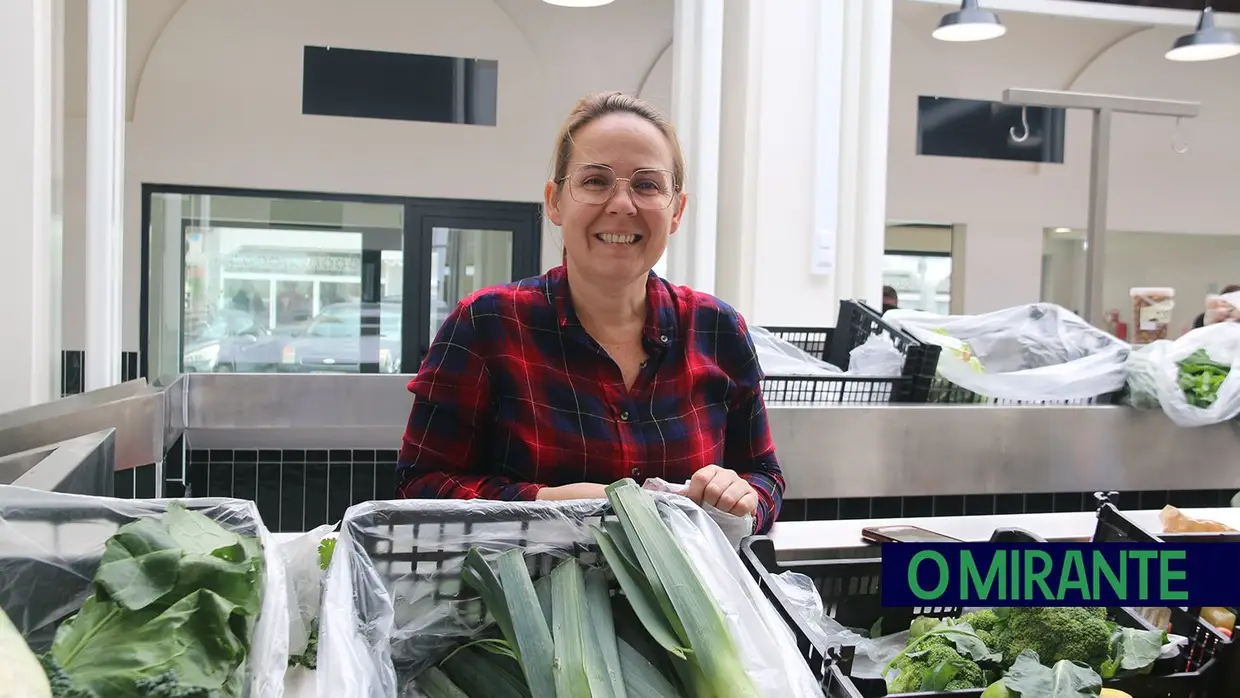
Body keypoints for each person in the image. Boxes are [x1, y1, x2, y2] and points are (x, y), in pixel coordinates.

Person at [395, 92, 785, 533]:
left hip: (687, 598)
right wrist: (549, 503)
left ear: (676, 211)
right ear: (555, 201)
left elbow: (765, 478)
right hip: (523, 595)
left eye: (647, 184)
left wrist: (740, 497)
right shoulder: (487, 325)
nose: (622, 204)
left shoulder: (718, 329)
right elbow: (420, 488)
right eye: (596, 181)